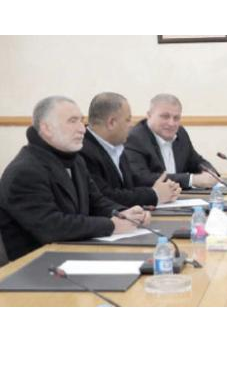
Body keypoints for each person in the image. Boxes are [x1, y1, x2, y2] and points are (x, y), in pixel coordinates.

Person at [0, 96, 150, 261]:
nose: (82, 129)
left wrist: (125, 213)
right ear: (46, 128)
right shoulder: (25, 171)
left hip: (72, 254)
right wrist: (112, 225)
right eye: (72, 121)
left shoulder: (75, 160)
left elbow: (97, 202)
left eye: (81, 121)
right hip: (36, 265)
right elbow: (52, 227)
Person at [80, 92, 181, 207]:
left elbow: (129, 188)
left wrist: (160, 191)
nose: (131, 125)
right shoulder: (83, 151)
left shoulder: (117, 145)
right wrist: (154, 195)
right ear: (111, 123)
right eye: (127, 120)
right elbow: (105, 196)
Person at [124, 93, 218, 189]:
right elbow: (141, 178)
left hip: (179, 196)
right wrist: (191, 179)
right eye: (165, 116)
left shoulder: (180, 133)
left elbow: (197, 162)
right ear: (149, 115)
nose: (171, 123)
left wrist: (210, 173)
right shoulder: (134, 138)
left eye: (176, 118)